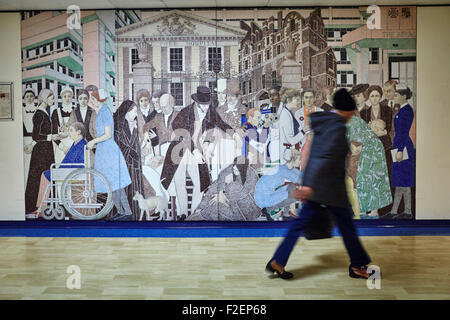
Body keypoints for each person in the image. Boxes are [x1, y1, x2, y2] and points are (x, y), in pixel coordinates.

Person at [266, 88, 372, 280]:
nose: (352, 115)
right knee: (346, 226)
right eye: (351, 111)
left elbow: (314, 155)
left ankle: (278, 261)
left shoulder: (326, 123)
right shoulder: (336, 127)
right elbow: (323, 158)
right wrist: (309, 186)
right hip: (327, 189)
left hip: (322, 187)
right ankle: (357, 265)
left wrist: (307, 183)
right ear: (346, 110)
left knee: (301, 224)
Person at [87, 89, 133, 221]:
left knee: (115, 182)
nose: (92, 101)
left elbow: (107, 135)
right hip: (104, 150)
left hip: (109, 151)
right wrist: (96, 143)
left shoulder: (105, 112)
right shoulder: (101, 111)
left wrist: (93, 141)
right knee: (110, 183)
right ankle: (121, 211)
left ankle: (127, 213)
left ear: (100, 100)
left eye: (94, 99)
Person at [186, 156, 261, 221]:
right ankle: (188, 222)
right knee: (212, 208)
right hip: (231, 205)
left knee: (233, 186)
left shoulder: (251, 176)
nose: (235, 172)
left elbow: (243, 193)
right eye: (234, 170)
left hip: (250, 211)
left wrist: (224, 196)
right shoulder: (230, 170)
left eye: (237, 171)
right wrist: (201, 206)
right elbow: (215, 186)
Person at [35, 122, 87, 214]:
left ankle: (41, 207)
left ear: (78, 132)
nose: (69, 133)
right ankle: (42, 207)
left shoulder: (82, 144)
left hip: (72, 172)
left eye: (71, 130)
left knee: (45, 175)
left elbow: (80, 163)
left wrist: (61, 169)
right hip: (68, 170)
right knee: (47, 173)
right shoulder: (76, 143)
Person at [25, 88, 59, 218]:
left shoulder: (44, 112)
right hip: (41, 151)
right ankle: (34, 207)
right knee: (39, 178)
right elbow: (36, 135)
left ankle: (45, 206)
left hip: (46, 149)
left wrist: (55, 136)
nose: (52, 100)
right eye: (51, 97)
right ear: (44, 98)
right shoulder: (39, 114)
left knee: (47, 176)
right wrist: (52, 137)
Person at [384, 84, 415, 219]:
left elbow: (403, 132)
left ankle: (407, 211)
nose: (394, 96)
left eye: (396, 95)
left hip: (403, 147)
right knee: (399, 179)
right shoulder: (401, 109)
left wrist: (400, 150)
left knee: (404, 180)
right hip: (398, 146)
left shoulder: (407, 110)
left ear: (403, 96)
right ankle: (395, 211)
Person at [114, 100, 146, 220]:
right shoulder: (119, 125)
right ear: (126, 112)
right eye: (133, 111)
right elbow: (118, 144)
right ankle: (126, 213)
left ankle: (136, 216)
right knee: (125, 189)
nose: (136, 114)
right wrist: (130, 152)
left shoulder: (136, 124)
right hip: (124, 162)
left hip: (135, 164)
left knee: (135, 189)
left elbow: (138, 143)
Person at [22, 85, 37, 184]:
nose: (29, 98)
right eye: (27, 96)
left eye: (31, 96)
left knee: (34, 164)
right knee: (25, 164)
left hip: (35, 140)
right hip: (24, 140)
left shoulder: (37, 110)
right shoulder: (21, 110)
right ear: (24, 98)